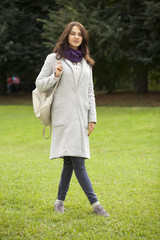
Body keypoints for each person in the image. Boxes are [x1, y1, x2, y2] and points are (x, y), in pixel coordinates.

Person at [35, 21, 109, 217]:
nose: (76, 36)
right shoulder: (54, 59)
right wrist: (55, 75)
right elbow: (39, 84)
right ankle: (96, 204)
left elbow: (90, 93)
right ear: (66, 36)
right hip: (63, 118)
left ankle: (59, 201)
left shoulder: (87, 63)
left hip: (81, 118)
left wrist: (92, 117)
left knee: (70, 161)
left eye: (80, 34)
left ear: (83, 38)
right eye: (73, 33)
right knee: (78, 161)